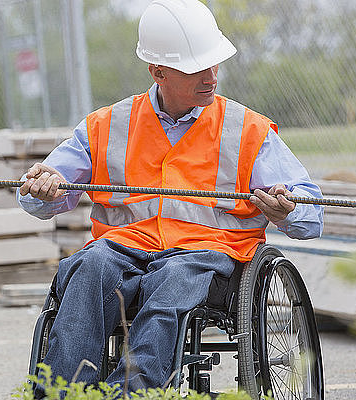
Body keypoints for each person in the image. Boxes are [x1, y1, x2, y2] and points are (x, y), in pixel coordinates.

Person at [18, 0, 323, 393]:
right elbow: (40, 194)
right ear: (157, 71)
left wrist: (287, 209)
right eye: (197, 67)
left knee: (174, 281)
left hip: (206, 254)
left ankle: (132, 393)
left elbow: (311, 215)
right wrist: (43, 187)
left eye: (214, 63)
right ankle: (63, 393)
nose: (211, 76)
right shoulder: (107, 125)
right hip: (119, 250)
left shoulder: (246, 129)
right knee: (87, 268)